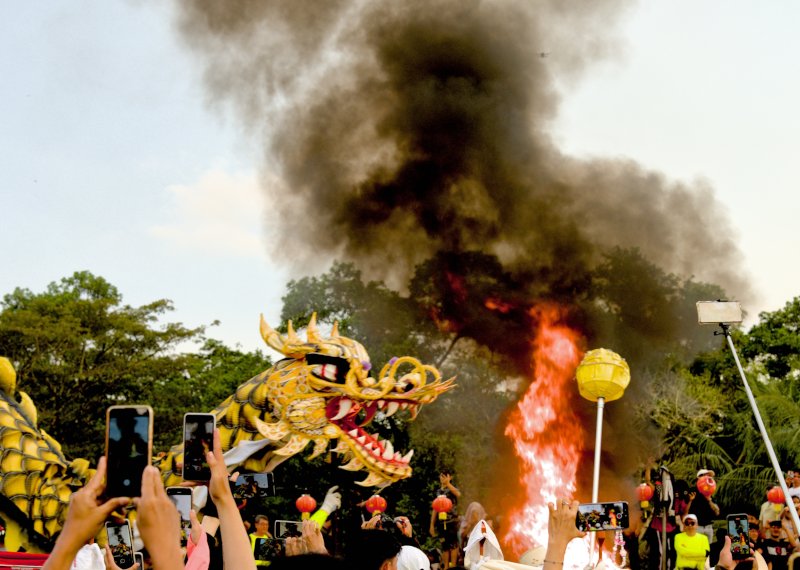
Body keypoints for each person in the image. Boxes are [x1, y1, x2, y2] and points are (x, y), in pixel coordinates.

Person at [429, 472, 461, 569]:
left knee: (454, 545)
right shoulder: (438, 491)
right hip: (441, 522)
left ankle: (454, 566)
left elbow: (458, 494)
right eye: (441, 476)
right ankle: (446, 567)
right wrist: (432, 524)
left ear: (450, 477)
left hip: (452, 521)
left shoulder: (452, 489)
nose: (442, 478)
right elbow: (435, 508)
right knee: (445, 546)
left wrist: (448, 483)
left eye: (444, 476)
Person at [686, 469, 720, 543]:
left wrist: (709, 500)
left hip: (708, 527)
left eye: (709, 476)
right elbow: (685, 511)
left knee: (707, 552)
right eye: (706, 476)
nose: (709, 478)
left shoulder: (710, 493)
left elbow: (717, 512)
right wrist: (690, 500)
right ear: (699, 477)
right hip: (697, 527)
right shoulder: (692, 491)